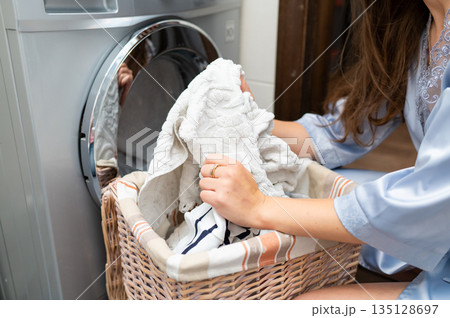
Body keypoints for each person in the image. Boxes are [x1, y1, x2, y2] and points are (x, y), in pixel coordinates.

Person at [198, 0, 450, 300]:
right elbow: (342, 131)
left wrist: (260, 207)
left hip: (434, 207)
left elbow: (428, 198)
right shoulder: (416, 25)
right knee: (312, 194)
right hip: (433, 209)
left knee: (304, 304)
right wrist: (250, 122)